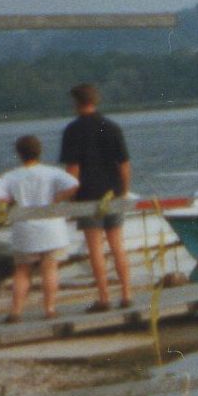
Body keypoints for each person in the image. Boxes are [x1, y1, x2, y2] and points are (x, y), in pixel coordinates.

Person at [0, 135, 78, 322]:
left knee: (22, 271)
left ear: (19, 154)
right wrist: (57, 198)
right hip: (51, 228)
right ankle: (49, 309)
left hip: (25, 229)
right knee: (49, 269)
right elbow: (74, 184)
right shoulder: (51, 172)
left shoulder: (12, 175)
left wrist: (8, 200)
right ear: (39, 151)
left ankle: (16, 311)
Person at [58, 82, 133, 312]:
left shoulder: (73, 130)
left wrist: (70, 195)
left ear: (76, 103)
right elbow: (124, 165)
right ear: (95, 100)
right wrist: (123, 190)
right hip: (112, 193)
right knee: (117, 244)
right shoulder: (111, 127)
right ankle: (127, 294)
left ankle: (104, 297)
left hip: (88, 195)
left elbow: (73, 168)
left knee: (95, 248)